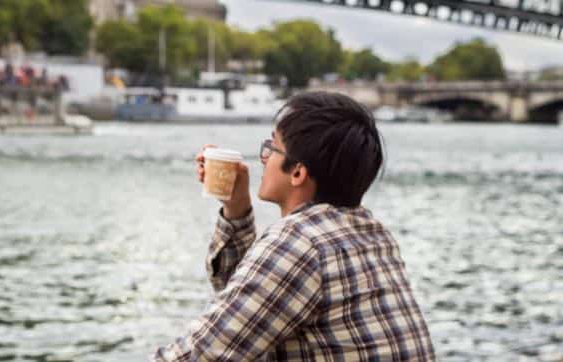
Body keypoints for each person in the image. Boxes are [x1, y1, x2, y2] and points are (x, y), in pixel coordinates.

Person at [152, 92, 435, 360]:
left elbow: (205, 354)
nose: (263, 158)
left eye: (271, 148)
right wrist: (236, 208)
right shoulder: (373, 233)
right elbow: (248, 309)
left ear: (298, 172)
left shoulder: (301, 242)